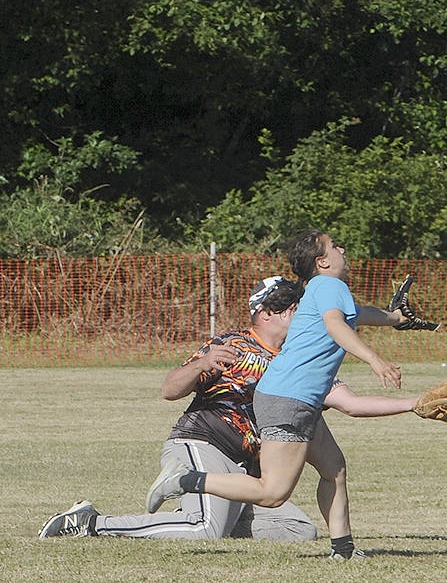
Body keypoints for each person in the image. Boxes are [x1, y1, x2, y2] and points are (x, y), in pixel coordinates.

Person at [39, 274, 418, 542]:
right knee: (205, 529)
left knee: (298, 530)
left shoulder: (298, 362)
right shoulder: (232, 345)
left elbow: (350, 403)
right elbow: (169, 390)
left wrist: (415, 404)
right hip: (204, 445)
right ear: (265, 314)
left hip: (248, 470)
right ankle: (91, 523)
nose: (299, 314)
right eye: (290, 309)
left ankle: (210, 516)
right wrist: (200, 364)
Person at [145, 230, 408, 560]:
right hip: (285, 401)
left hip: (296, 399)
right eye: (334, 246)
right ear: (322, 261)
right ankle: (186, 480)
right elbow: (336, 324)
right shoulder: (328, 287)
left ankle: (343, 550)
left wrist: (396, 320)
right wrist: (374, 359)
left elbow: (359, 316)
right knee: (272, 493)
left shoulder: (318, 293)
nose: (343, 248)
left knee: (334, 469)